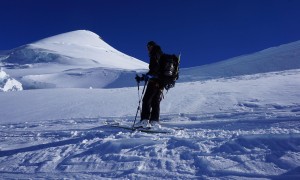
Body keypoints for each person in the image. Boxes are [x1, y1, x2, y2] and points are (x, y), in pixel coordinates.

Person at [134, 41, 164, 129]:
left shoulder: (154, 54)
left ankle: (144, 120)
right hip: (161, 83)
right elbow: (157, 70)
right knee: (155, 101)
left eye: (148, 47)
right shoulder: (161, 55)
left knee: (146, 99)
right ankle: (154, 121)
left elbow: (153, 70)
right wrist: (143, 78)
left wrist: (148, 76)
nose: (147, 49)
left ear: (151, 46)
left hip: (154, 82)